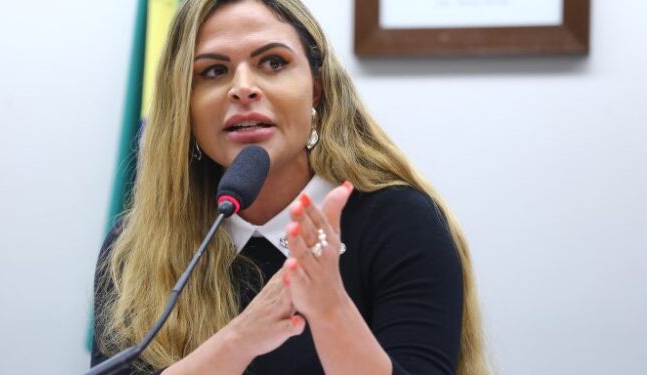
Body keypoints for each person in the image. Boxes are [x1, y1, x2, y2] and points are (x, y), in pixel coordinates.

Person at [91, 0, 488, 374]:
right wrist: (239, 340)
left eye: (273, 63)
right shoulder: (137, 245)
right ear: (184, 104)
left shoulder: (401, 222)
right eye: (213, 71)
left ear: (315, 87)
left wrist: (332, 310)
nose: (243, 88)